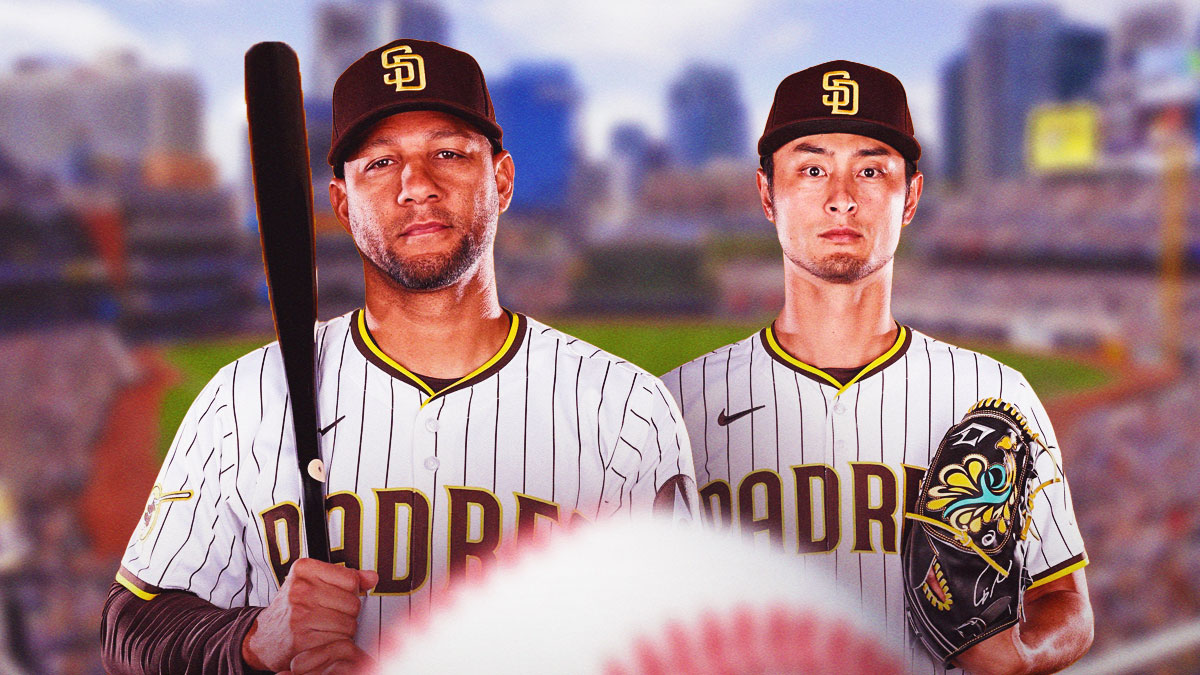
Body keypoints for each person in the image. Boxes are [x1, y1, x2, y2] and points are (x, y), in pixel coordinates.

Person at [102, 39, 697, 674]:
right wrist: (255, 638)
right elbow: (128, 629)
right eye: (381, 163)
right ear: (340, 202)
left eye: (447, 153)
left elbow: (698, 636)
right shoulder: (244, 398)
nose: (417, 185)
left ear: (501, 179)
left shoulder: (627, 409)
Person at [664, 61, 1092, 674]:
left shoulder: (995, 393)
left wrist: (1021, 655)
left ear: (910, 196)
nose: (842, 198)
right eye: (812, 170)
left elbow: (1065, 602)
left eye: (871, 170)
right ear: (767, 194)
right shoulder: (676, 404)